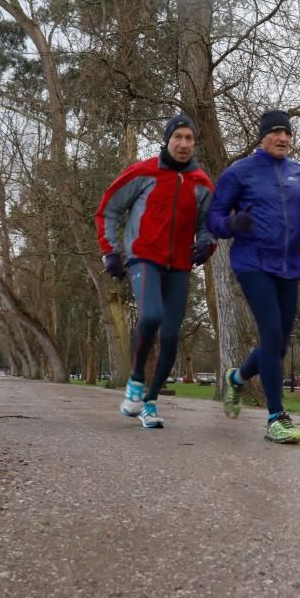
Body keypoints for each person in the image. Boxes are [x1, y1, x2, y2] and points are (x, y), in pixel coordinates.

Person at [207, 109, 300, 444]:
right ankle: (276, 417)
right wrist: (230, 224)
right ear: (262, 136)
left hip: (290, 265)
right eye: (276, 133)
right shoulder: (239, 172)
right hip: (252, 262)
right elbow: (214, 216)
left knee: (280, 343)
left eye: (287, 134)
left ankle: (237, 378)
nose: (283, 138)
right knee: (271, 332)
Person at [95, 114, 216, 428]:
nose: (184, 144)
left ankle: (149, 402)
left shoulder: (201, 183)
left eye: (189, 138)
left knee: (172, 336)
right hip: (143, 257)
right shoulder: (143, 172)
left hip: (179, 265)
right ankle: (135, 379)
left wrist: (207, 243)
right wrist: (110, 251)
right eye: (178, 137)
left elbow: (209, 225)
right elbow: (109, 208)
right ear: (167, 140)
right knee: (150, 316)